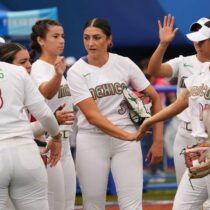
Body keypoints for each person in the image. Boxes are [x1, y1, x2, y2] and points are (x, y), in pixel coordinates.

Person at [67, 17, 163, 210]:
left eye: (97, 37)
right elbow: (93, 117)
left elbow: (155, 98)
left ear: (109, 39)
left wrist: (158, 142)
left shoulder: (124, 63)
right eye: (86, 38)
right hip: (92, 139)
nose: (91, 43)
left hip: (126, 141)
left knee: (132, 203)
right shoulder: (76, 71)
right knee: (93, 204)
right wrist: (128, 135)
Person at [144, 15, 210, 209]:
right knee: (188, 193)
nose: (197, 44)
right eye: (195, 40)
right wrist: (163, 44)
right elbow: (154, 69)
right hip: (187, 135)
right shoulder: (186, 63)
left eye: (202, 40)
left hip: (206, 138)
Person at [0, 41, 74, 210]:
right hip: (26, 153)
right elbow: (46, 114)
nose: (28, 65)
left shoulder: (18, 72)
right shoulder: (18, 74)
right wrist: (56, 136)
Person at [30, 19, 76, 210]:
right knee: (55, 206)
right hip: (48, 146)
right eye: (55, 36)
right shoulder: (38, 68)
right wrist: (58, 75)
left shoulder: (57, 66)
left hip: (65, 145)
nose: (61, 40)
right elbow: (46, 92)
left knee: (68, 205)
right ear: (41, 40)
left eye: (63, 36)